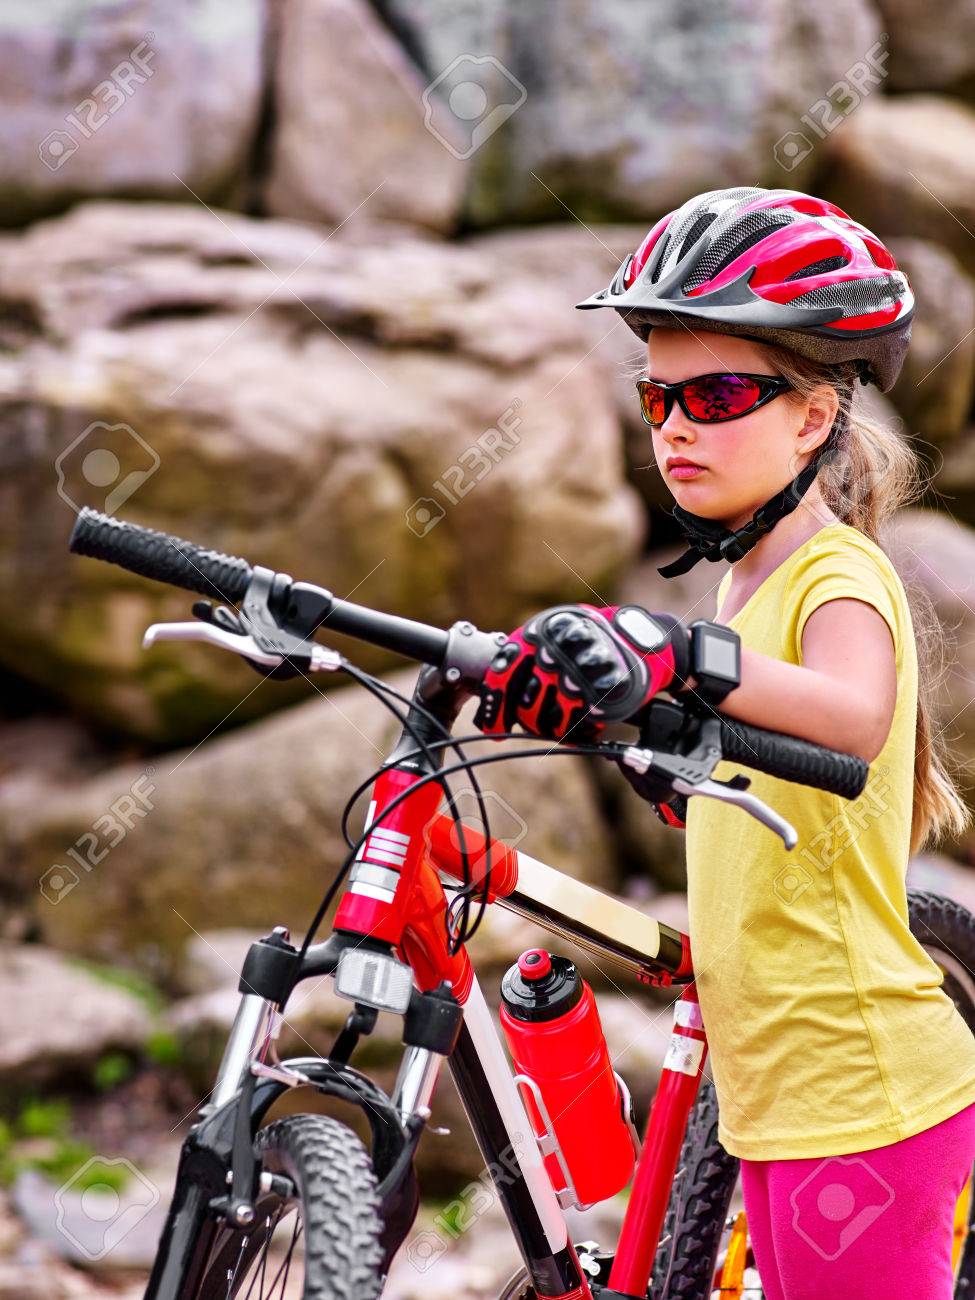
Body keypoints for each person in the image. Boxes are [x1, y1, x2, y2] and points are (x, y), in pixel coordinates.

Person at [472, 186, 975, 1299]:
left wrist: (675, 653)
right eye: (658, 398)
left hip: (861, 1094)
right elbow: (748, 791)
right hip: (782, 1097)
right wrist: (629, 731)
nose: (677, 427)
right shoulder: (743, 581)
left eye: (720, 393)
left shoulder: (838, 574)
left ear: (812, 415)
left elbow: (850, 713)